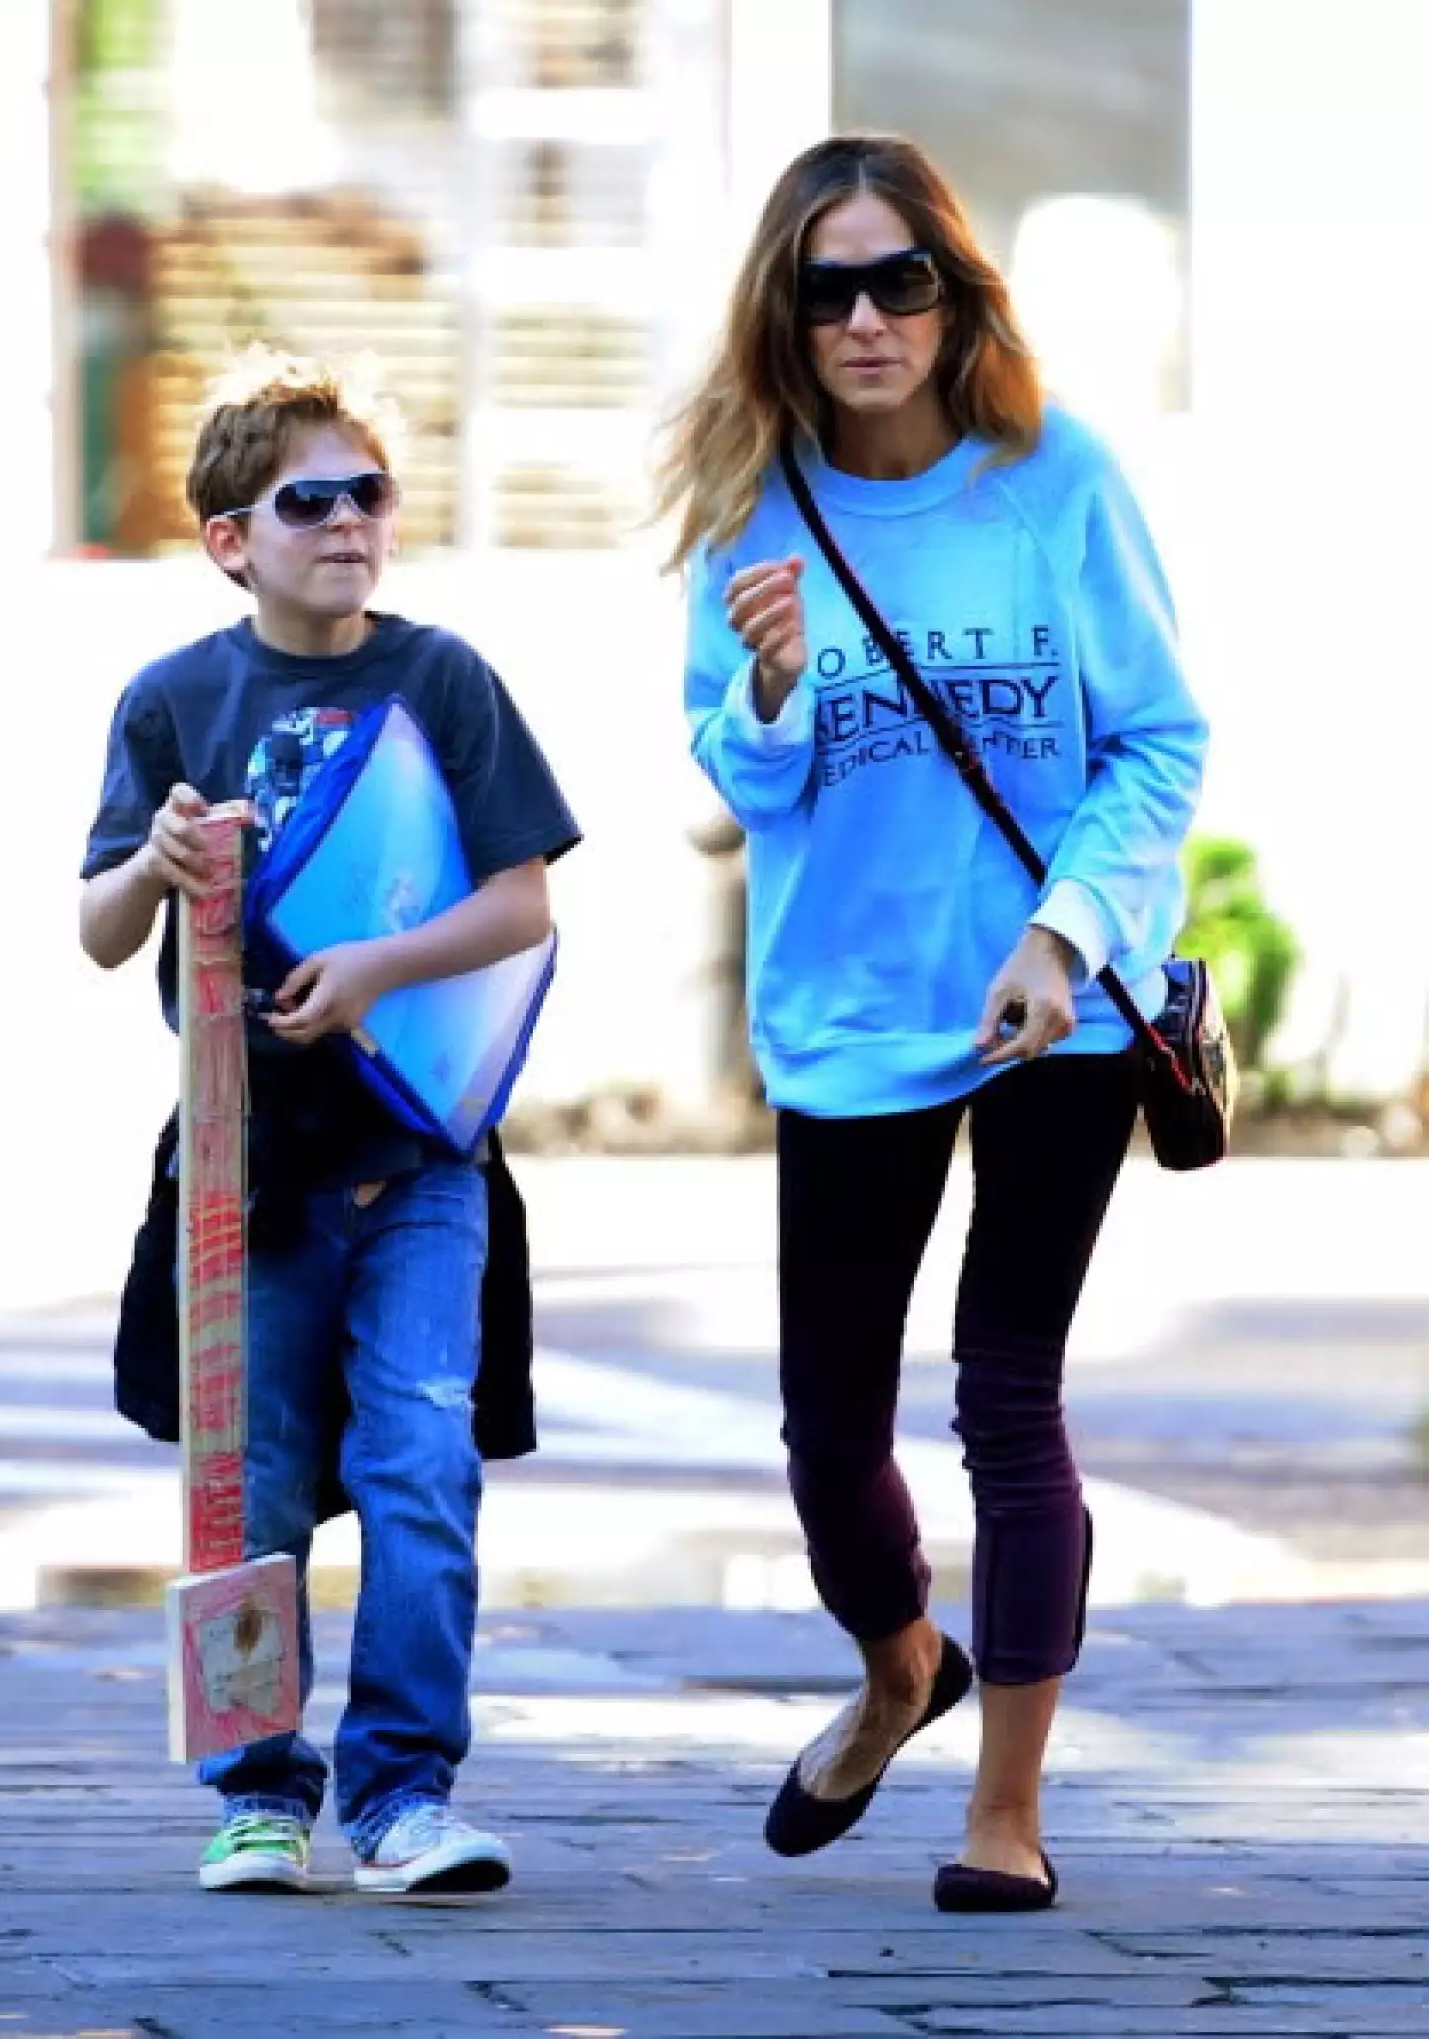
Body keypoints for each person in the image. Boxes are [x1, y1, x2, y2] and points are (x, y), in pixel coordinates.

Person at [658, 134, 1207, 1912]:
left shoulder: (1058, 482)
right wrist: (768, 684)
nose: (871, 316)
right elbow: (741, 781)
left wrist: (1063, 936)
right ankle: (903, 1666)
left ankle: (1006, 1810)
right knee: (830, 1435)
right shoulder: (755, 508)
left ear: (957, 296)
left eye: (905, 280)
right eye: (832, 287)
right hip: (849, 1005)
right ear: (785, 313)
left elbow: (1158, 743)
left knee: (1009, 1396)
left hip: (1057, 1004)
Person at [80, 347, 579, 1897]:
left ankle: (407, 1791)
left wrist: (379, 967)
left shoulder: (442, 680)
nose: (353, 520)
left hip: (423, 1157)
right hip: (241, 1168)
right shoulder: (176, 698)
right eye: (314, 499)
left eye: (373, 492)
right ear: (233, 534)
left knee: (426, 1460)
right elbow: (99, 931)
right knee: (256, 1480)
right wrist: (159, 863)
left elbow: (522, 900)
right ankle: (255, 1788)